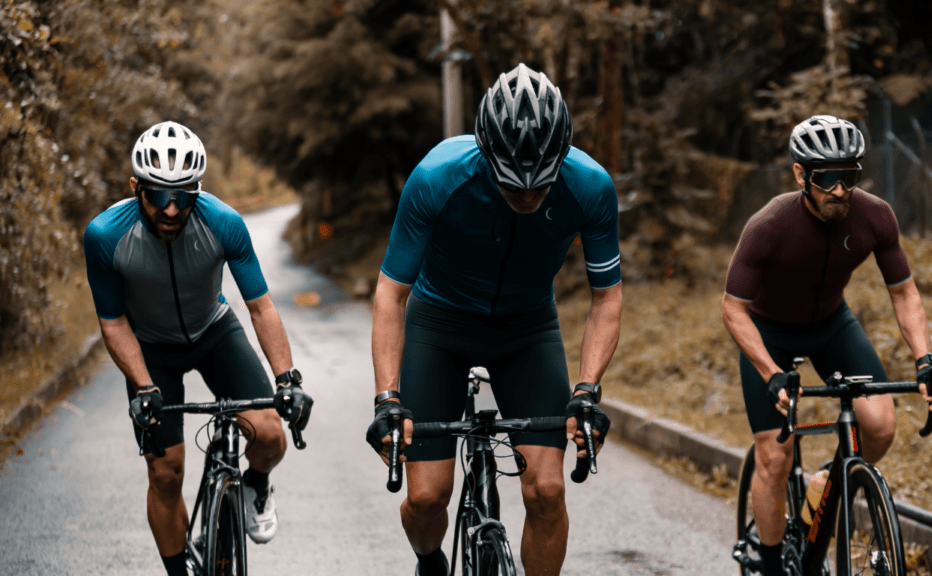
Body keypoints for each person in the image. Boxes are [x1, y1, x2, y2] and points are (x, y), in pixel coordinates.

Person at [367, 63, 621, 576]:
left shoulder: (590, 187)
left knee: (548, 490)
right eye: (512, 185)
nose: (527, 196)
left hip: (527, 329)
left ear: (561, 158)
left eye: (540, 185)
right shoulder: (437, 177)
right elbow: (391, 296)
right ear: (486, 153)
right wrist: (388, 399)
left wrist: (587, 388)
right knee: (425, 497)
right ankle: (429, 561)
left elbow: (606, 299)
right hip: (439, 324)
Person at [721, 114, 932, 576]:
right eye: (826, 177)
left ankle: (827, 481)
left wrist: (926, 359)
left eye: (849, 176)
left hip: (831, 326)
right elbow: (732, 308)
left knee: (881, 427)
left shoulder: (875, 216)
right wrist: (770, 372)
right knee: (775, 455)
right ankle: (769, 564)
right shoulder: (769, 225)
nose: (840, 189)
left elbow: (904, 292)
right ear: (801, 175)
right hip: (769, 333)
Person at [83, 120, 313, 576]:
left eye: (184, 196)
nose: (171, 209)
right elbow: (112, 322)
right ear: (135, 188)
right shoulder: (105, 236)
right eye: (158, 195)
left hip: (214, 332)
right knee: (165, 473)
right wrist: (143, 386)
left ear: (197, 191)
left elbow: (261, 308)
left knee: (269, 434)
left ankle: (255, 485)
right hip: (150, 350)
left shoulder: (223, 222)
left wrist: (287, 378)